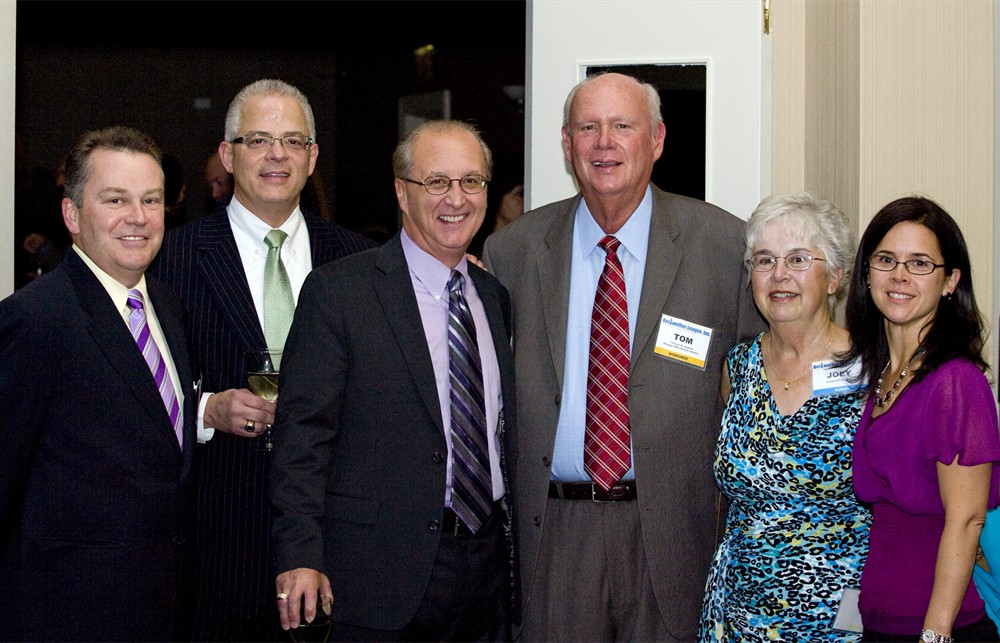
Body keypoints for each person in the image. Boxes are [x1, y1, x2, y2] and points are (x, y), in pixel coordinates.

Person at [482, 71, 764, 641]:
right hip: (555, 536)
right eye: (588, 127)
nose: (604, 142)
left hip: (675, 534)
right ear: (567, 145)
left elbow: (766, 384)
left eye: (622, 126)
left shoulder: (724, 245)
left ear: (656, 140)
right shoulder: (512, 250)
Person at [270, 119, 518, 641]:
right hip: (376, 574)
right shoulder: (339, 293)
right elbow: (301, 438)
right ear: (402, 193)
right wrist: (300, 556)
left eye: (471, 181)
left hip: (486, 571)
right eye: (437, 182)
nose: (457, 198)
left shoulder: (494, 299)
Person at [148, 79, 376, 642]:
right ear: (227, 155)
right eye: (258, 140)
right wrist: (205, 410)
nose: (277, 155)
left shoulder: (362, 262)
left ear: (312, 156)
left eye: (293, 141)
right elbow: (132, 391)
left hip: (335, 545)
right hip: (216, 550)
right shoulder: (169, 259)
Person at [0, 126, 196, 641]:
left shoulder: (168, 310)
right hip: (66, 616)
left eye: (150, 200)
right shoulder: (35, 321)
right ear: (71, 215)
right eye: (116, 200)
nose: (138, 217)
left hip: (162, 609)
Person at [698, 192, 870, 641]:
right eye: (764, 260)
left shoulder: (873, 371)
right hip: (738, 615)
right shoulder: (737, 368)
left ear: (834, 277)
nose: (779, 275)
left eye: (797, 259)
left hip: (841, 617)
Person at [845, 196, 1000, 641]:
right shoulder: (883, 375)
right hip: (880, 621)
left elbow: (967, 519)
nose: (899, 276)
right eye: (887, 259)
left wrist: (934, 635)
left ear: (950, 281)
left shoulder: (955, 382)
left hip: (937, 628)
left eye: (920, 264)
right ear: (867, 272)